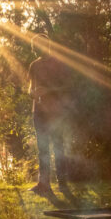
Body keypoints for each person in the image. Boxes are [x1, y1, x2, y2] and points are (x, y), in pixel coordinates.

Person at [27, 34, 75, 196]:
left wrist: (48, 90)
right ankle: (44, 184)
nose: (38, 48)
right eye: (36, 46)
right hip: (38, 111)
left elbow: (67, 87)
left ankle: (62, 183)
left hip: (56, 112)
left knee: (58, 146)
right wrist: (32, 93)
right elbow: (30, 88)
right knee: (42, 148)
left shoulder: (58, 64)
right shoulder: (34, 65)